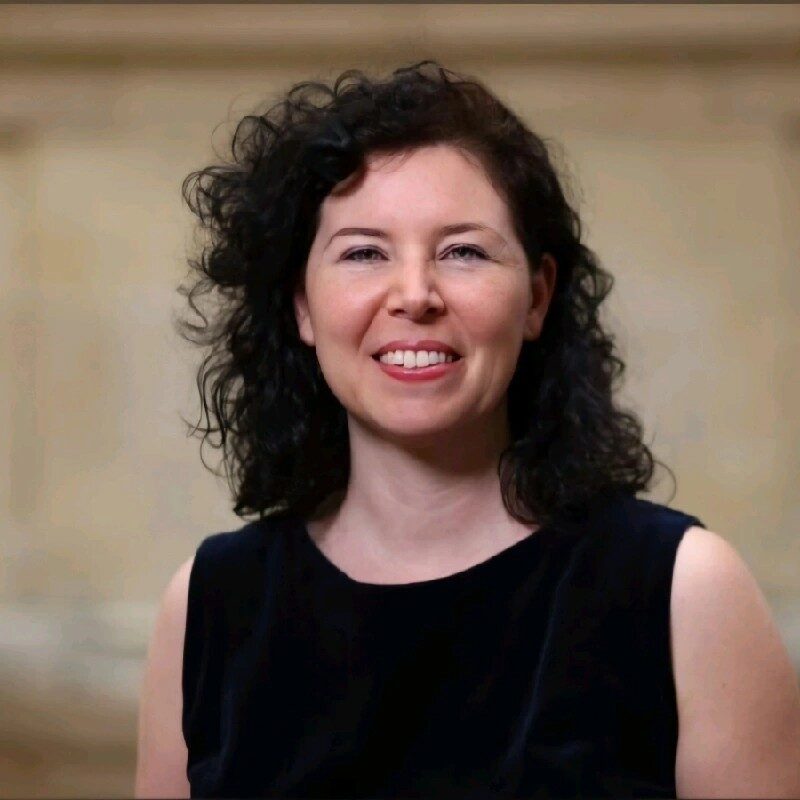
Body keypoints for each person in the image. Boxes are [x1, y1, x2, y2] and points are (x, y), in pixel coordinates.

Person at [135, 61, 800, 798]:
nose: (415, 295)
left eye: (463, 252)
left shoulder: (684, 589)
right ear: (301, 307)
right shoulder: (210, 603)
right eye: (363, 252)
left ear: (537, 298)